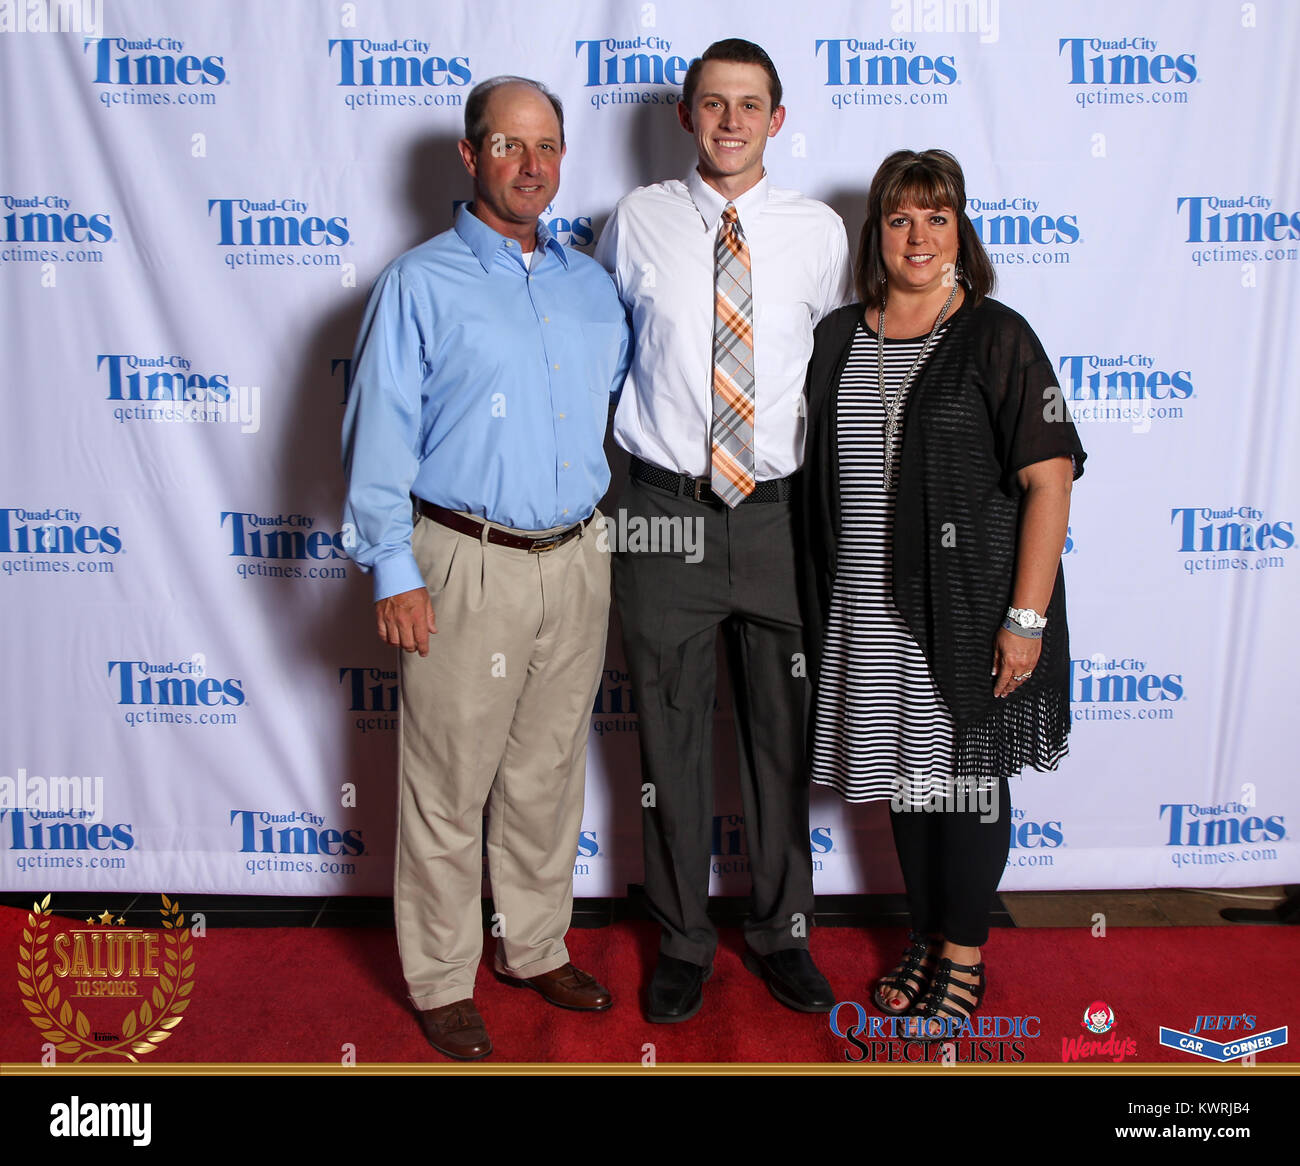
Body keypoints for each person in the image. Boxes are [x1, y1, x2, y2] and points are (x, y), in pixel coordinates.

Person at [341, 76, 631, 1060]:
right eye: (508, 145)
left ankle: (534, 945)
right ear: (470, 157)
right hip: (462, 561)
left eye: (546, 145)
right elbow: (376, 431)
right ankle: (438, 974)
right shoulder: (418, 282)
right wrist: (391, 567)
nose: (531, 163)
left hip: (576, 558)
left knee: (546, 773)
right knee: (446, 782)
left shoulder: (592, 282)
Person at [798, 149, 1085, 1039]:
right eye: (898, 219)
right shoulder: (840, 336)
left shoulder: (999, 335)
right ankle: (926, 934)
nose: (918, 237)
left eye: (936, 216)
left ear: (961, 228)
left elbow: (1050, 481)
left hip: (968, 606)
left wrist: (1025, 619)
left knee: (966, 784)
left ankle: (964, 953)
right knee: (908, 785)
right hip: (864, 610)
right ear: (875, 234)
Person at [595, 38, 853, 1022]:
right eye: (713, 103)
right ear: (686, 115)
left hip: (780, 520)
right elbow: (608, 346)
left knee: (782, 739)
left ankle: (783, 930)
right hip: (663, 513)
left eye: (750, 104)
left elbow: (830, 366)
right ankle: (681, 935)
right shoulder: (637, 220)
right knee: (668, 739)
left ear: (776, 120)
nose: (731, 120)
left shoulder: (818, 230)